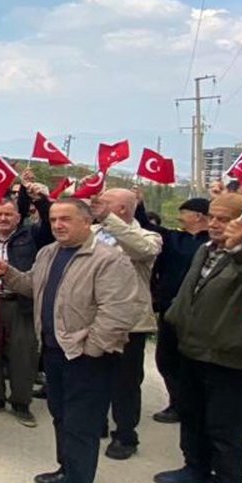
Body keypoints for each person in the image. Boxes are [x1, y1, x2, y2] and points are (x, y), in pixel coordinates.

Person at [0, 198, 144, 483]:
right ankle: (67, 469)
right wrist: (7, 273)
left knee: (82, 425)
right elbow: (32, 286)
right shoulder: (49, 253)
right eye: (53, 220)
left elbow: (118, 311)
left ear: (86, 221)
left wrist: (91, 348)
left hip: (86, 357)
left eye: (66, 219)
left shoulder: (108, 259)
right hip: (53, 351)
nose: (58, 225)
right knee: (61, 415)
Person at [156, 192, 242, 483]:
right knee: (192, 413)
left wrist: (239, 250)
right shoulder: (206, 249)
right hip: (194, 349)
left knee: (224, 425)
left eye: (224, 219)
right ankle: (195, 468)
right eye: (212, 217)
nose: (215, 224)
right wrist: (176, 317)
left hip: (233, 357)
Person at [89, 188, 162, 460]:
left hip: (129, 323)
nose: (98, 205)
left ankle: (126, 434)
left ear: (121, 209)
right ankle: (98, 422)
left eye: (105, 203)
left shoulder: (147, 236)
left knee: (125, 382)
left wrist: (107, 218)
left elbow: (140, 249)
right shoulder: (94, 233)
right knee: (95, 375)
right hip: (94, 318)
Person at [0, 182, 54, 427]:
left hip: (22, 303)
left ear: (18, 217)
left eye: (8, 214)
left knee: (24, 355)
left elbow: (50, 225)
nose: (3, 218)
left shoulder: (31, 236)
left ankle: (21, 403)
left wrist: (40, 200)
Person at [136, 196, 210, 424]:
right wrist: (139, 204)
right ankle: (177, 403)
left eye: (184, 212)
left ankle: (196, 405)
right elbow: (146, 226)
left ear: (198, 216)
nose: (180, 216)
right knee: (166, 359)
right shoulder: (174, 239)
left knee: (194, 363)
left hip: (202, 313)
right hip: (170, 308)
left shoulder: (214, 243)